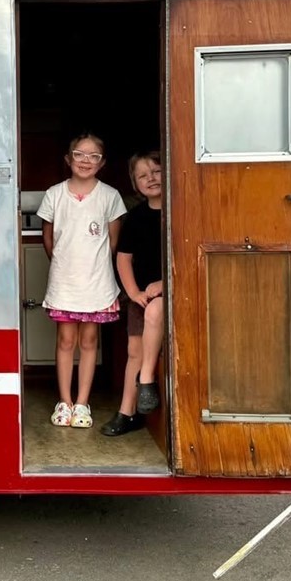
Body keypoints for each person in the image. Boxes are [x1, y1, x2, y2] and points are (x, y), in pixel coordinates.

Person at [37, 134, 127, 429]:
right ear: (68, 159)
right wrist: (65, 262)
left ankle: (82, 403)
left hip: (96, 282)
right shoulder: (54, 194)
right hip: (65, 280)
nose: (86, 160)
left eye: (93, 156)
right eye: (79, 154)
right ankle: (64, 402)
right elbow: (48, 238)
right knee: (65, 341)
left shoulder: (110, 196)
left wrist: (93, 265)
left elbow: (112, 242)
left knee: (89, 341)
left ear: (102, 163)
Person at [101, 151, 164, 437]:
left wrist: (165, 284)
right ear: (135, 183)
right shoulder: (137, 218)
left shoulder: (180, 209)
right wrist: (134, 292)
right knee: (133, 350)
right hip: (142, 294)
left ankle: (147, 379)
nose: (150, 178)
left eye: (156, 171)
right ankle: (127, 412)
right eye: (143, 175)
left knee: (155, 311)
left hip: (175, 290)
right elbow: (123, 258)